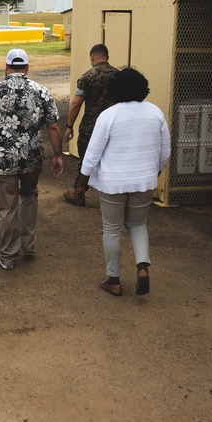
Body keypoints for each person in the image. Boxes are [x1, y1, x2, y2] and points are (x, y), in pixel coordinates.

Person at [74, 67, 170, 297]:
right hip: (144, 182)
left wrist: (81, 182)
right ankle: (142, 268)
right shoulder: (155, 113)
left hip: (112, 184)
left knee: (112, 229)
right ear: (142, 88)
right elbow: (165, 151)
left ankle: (114, 280)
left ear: (114, 90)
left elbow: (92, 154)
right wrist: (153, 173)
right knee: (138, 224)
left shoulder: (109, 115)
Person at [0, 48, 64, 270]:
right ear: (27, 68)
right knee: (30, 196)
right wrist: (58, 155)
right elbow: (52, 126)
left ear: (6, 67)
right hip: (32, 159)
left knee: (7, 207)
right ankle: (29, 244)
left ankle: (8, 255)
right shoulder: (41, 91)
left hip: (3, 161)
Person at [63, 43, 118, 207]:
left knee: (86, 160)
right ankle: (114, 197)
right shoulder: (119, 76)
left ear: (92, 58)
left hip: (91, 127)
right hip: (114, 126)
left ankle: (79, 193)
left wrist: (69, 125)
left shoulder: (87, 77)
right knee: (112, 160)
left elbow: (75, 104)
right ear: (107, 57)